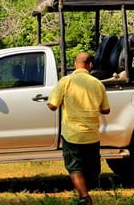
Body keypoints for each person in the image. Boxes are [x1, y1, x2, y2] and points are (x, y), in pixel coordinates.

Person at [47, 52, 111, 205]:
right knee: (91, 169)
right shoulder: (97, 83)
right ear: (90, 65)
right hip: (91, 135)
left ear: (75, 64)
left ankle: (84, 197)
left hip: (72, 135)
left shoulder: (66, 81)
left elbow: (52, 105)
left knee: (75, 167)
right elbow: (106, 110)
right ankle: (85, 193)